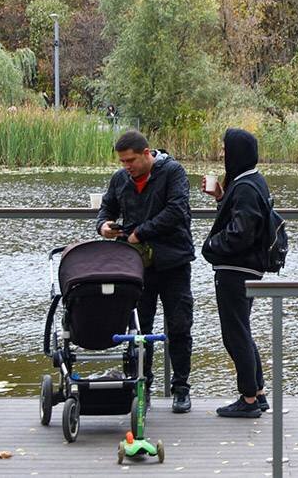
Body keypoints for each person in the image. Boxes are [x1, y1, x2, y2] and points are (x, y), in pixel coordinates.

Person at [95, 130, 195, 413]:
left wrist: (140, 232)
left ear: (147, 153)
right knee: (140, 329)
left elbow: (177, 210)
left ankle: (181, 388)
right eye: (123, 162)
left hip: (174, 261)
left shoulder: (173, 172)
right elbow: (106, 209)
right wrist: (103, 226)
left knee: (179, 325)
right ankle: (143, 386)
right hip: (137, 266)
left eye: (131, 161)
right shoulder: (120, 179)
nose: (127, 166)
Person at [201, 129, 272, 418]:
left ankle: (248, 400)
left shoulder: (245, 187)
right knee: (241, 329)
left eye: (226, 150)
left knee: (234, 333)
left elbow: (240, 232)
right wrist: (220, 196)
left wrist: (210, 246)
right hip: (246, 267)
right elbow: (241, 219)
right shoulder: (251, 181)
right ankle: (258, 392)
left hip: (236, 269)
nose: (222, 154)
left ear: (237, 154)